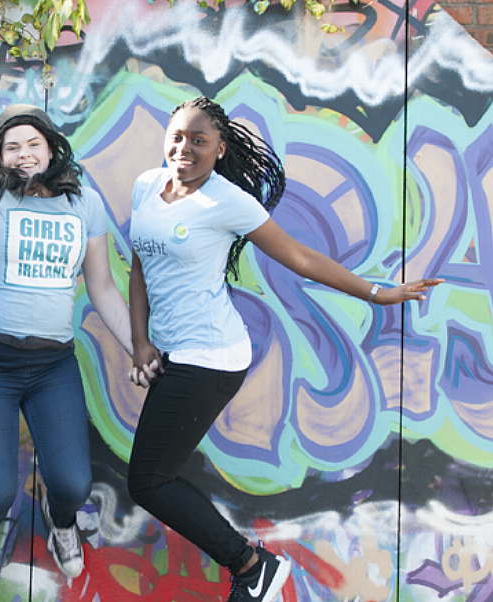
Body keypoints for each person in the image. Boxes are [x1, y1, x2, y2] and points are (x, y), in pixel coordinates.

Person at [126, 96, 443, 602]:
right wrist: (141, 341)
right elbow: (141, 263)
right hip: (174, 354)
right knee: (154, 477)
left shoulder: (228, 202)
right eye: (177, 136)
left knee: (149, 481)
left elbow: (299, 256)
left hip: (211, 358)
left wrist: (379, 293)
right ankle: (253, 566)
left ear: (220, 148)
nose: (184, 148)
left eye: (198, 140)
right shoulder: (147, 185)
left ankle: (253, 566)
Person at [0, 104, 134, 598]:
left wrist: (138, 348)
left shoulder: (84, 204)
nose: (24, 155)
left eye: (33, 144)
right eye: (12, 147)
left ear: (51, 147)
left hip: (52, 365)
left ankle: (60, 519)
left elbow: (104, 288)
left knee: (71, 483)